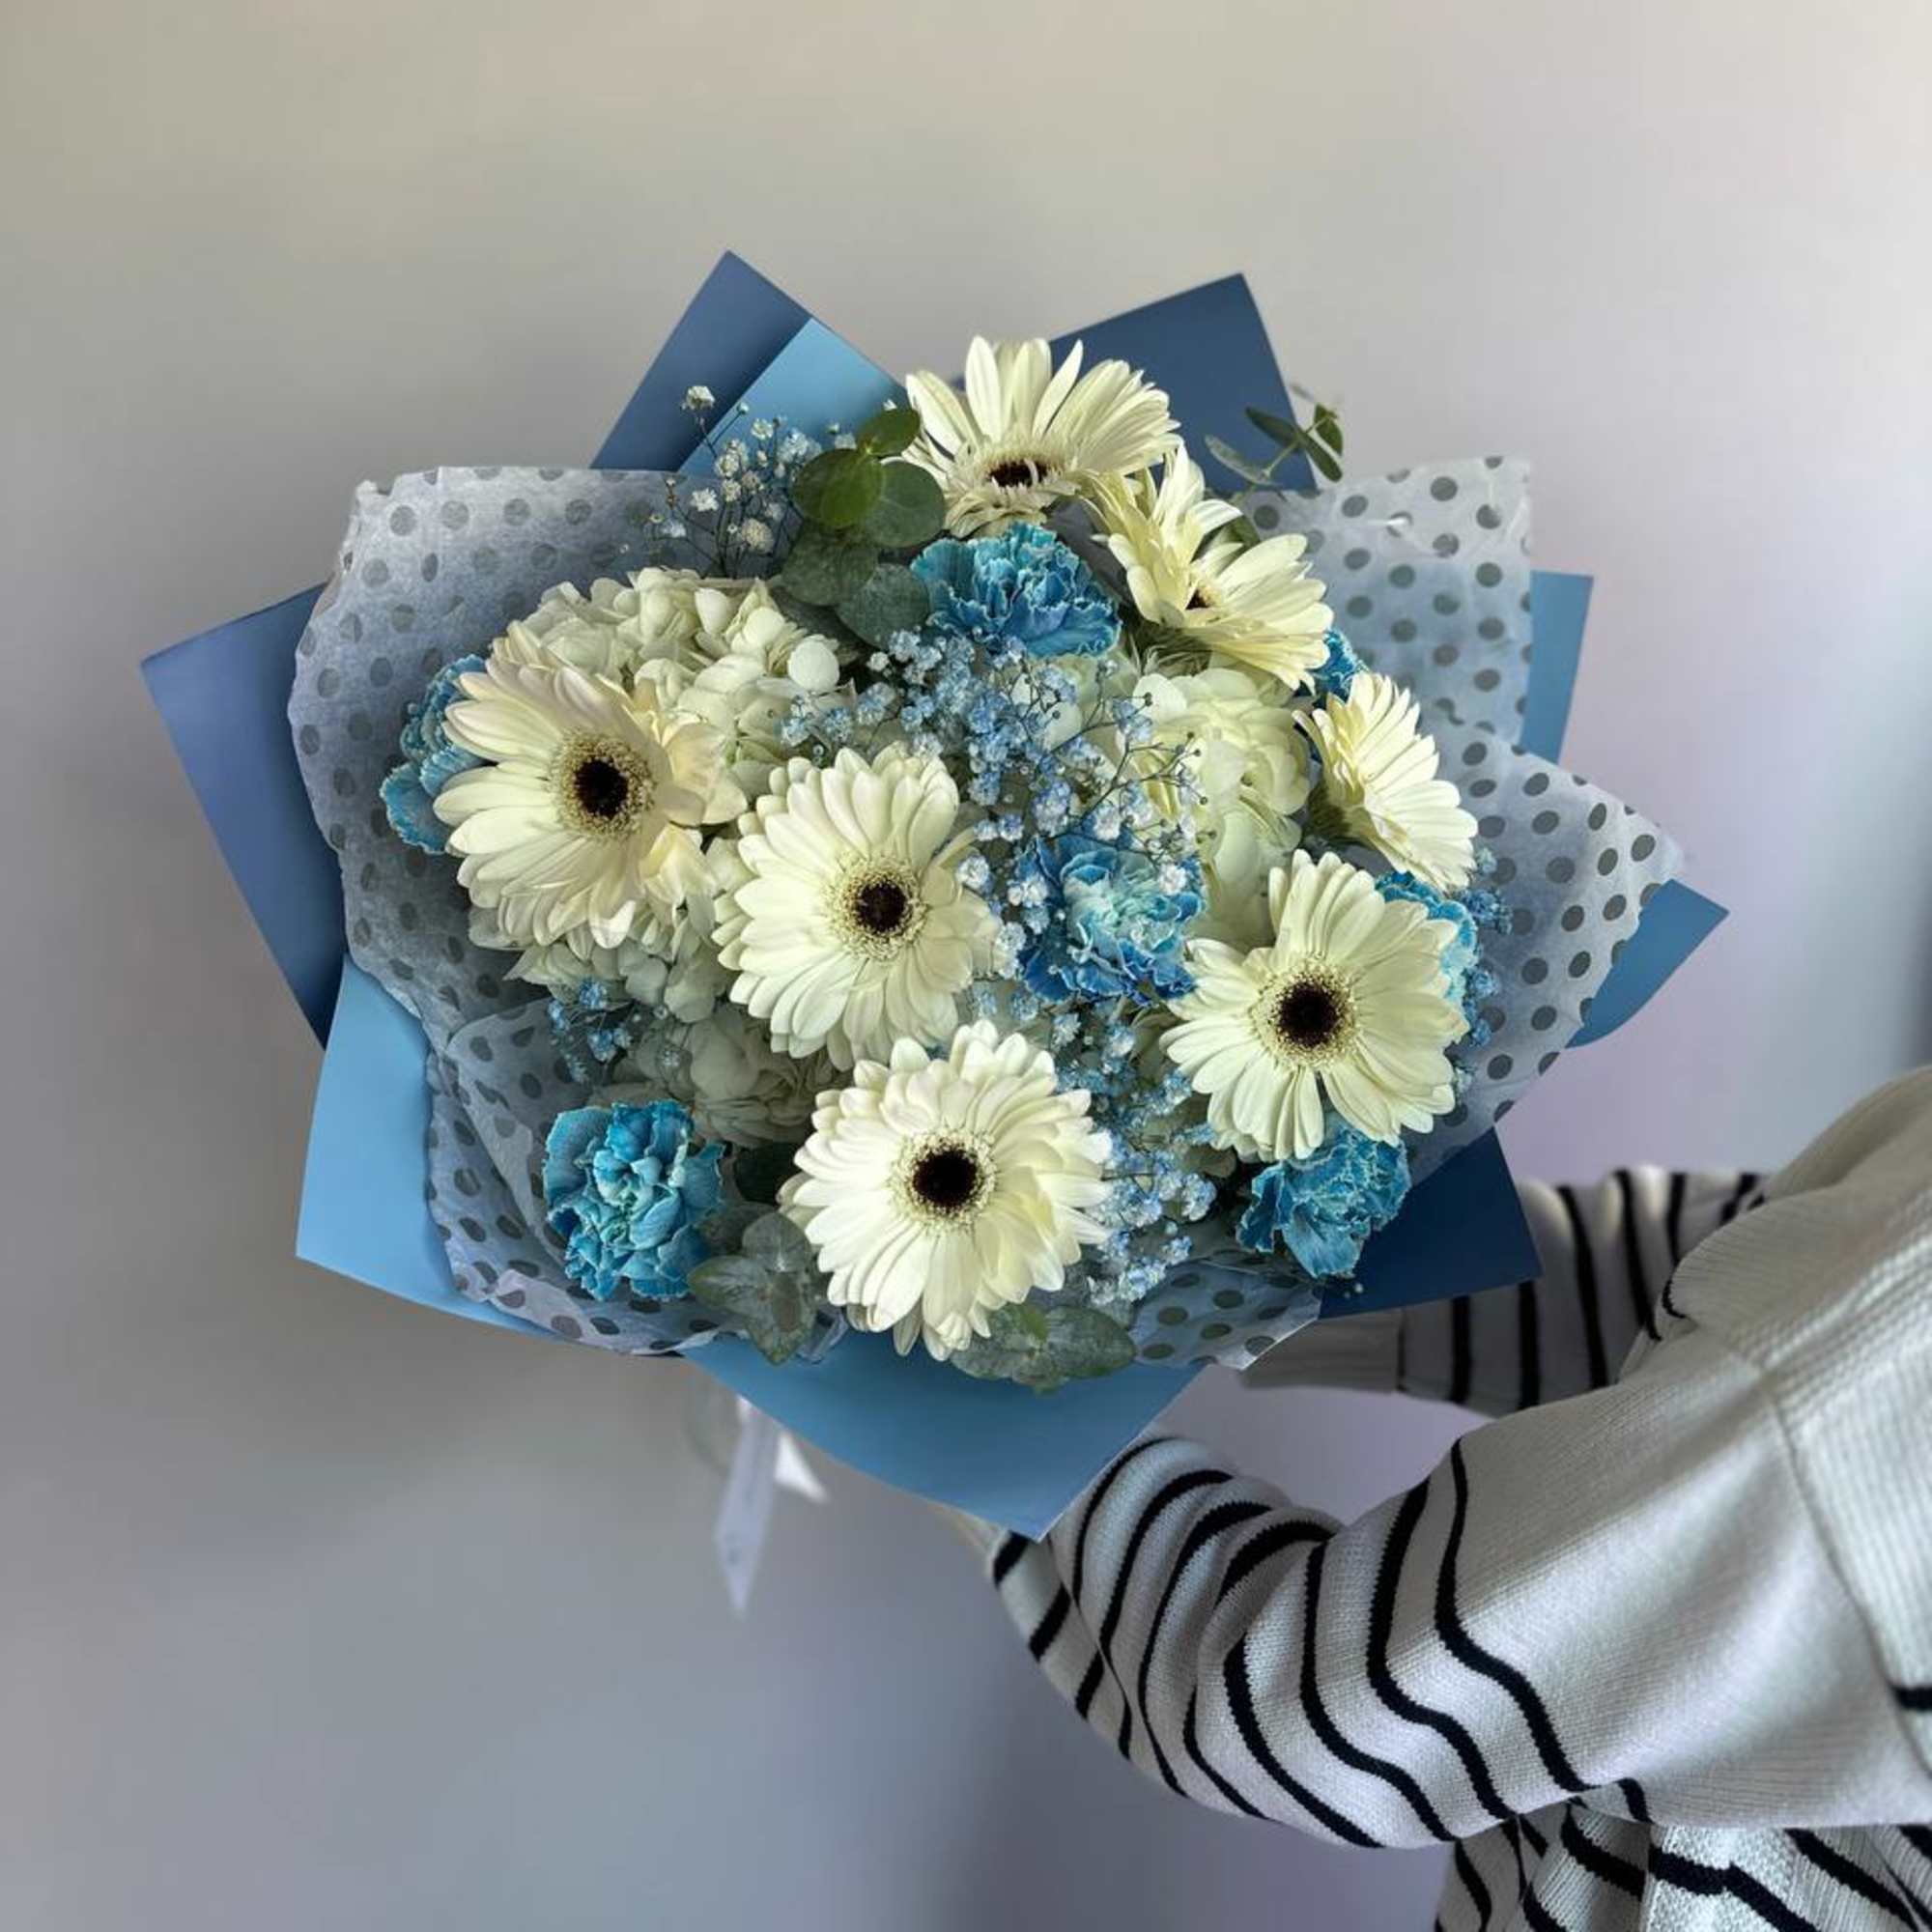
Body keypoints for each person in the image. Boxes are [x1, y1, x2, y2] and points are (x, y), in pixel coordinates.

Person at [973, 1069, 1932, 1930]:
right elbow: (1749, 1277)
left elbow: (1302, 1710)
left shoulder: (1866, 1401)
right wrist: (1218, 1270)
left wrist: (971, 1362)